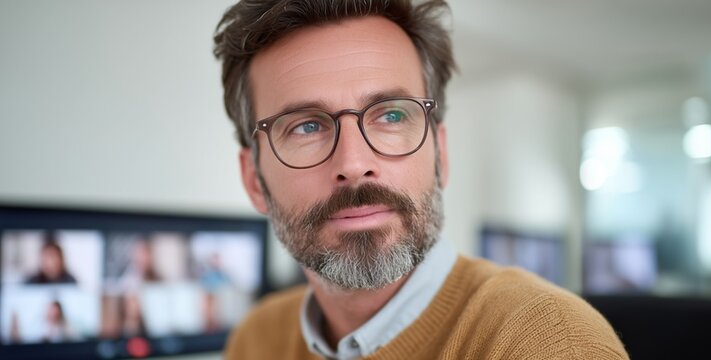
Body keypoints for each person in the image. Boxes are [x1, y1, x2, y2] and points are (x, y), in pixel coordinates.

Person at [213, 1, 628, 359]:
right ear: (253, 180)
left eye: (392, 115)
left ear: (440, 154)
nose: (354, 163)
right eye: (305, 126)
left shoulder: (551, 344)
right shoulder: (256, 339)